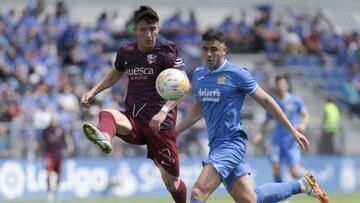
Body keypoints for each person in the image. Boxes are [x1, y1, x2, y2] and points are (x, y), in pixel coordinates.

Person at [176, 29, 328, 203]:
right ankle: (303, 185)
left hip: (232, 144)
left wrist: (293, 130)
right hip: (216, 145)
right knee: (251, 199)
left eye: (214, 49)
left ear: (224, 50)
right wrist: (176, 131)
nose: (209, 54)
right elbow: (197, 111)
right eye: (205, 49)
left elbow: (267, 101)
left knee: (197, 193)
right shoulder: (199, 74)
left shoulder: (237, 74)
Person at [80, 6, 187, 203]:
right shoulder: (126, 51)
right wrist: (93, 91)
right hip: (134, 120)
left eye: (153, 28)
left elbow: (183, 87)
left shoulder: (168, 50)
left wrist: (163, 112)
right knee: (107, 113)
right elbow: (115, 73)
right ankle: (104, 137)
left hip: (160, 126)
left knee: (172, 183)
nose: (149, 34)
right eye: (144, 29)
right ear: (135, 29)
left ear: (158, 27)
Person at [253, 75, 310, 185]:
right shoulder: (273, 102)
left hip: (292, 142)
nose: (281, 87)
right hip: (277, 141)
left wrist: (303, 124)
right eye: (278, 85)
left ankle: (310, 177)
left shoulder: (295, 100)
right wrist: (260, 133)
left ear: (287, 86)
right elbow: (266, 120)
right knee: (276, 170)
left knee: (294, 173)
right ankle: (282, 200)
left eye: (283, 84)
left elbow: (306, 114)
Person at [37, 114, 74, 203]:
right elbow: (40, 142)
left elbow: (67, 138)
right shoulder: (46, 130)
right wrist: (36, 151)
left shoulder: (60, 129)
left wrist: (70, 146)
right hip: (49, 154)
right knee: (48, 174)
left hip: (58, 154)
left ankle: (57, 191)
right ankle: (49, 193)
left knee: (59, 174)